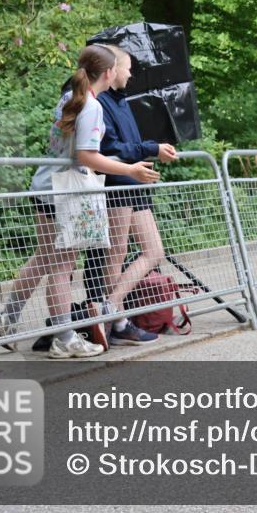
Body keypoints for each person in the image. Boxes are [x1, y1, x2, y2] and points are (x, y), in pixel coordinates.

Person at [0, 45, 159, 358]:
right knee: (61, 265)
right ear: (108, 73)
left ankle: (8, 320)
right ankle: (64, 338)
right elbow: (87, 156)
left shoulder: (70, 97)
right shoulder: (91, 106)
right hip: (63, 191)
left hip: (45, 185)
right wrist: (130, 169)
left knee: (47, 258)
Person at [95, 45, 177, 341]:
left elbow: (130, 144)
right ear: (112, 69)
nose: (131, 74)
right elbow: (109, 149)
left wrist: (150, 152)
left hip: (135, 184)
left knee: (154, 250)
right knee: (115, 254)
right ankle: (115, 321)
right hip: (118, 184)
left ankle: (113, 306)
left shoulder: (122, 100)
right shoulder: (100, 102)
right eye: (127, 68)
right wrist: (150, 149)